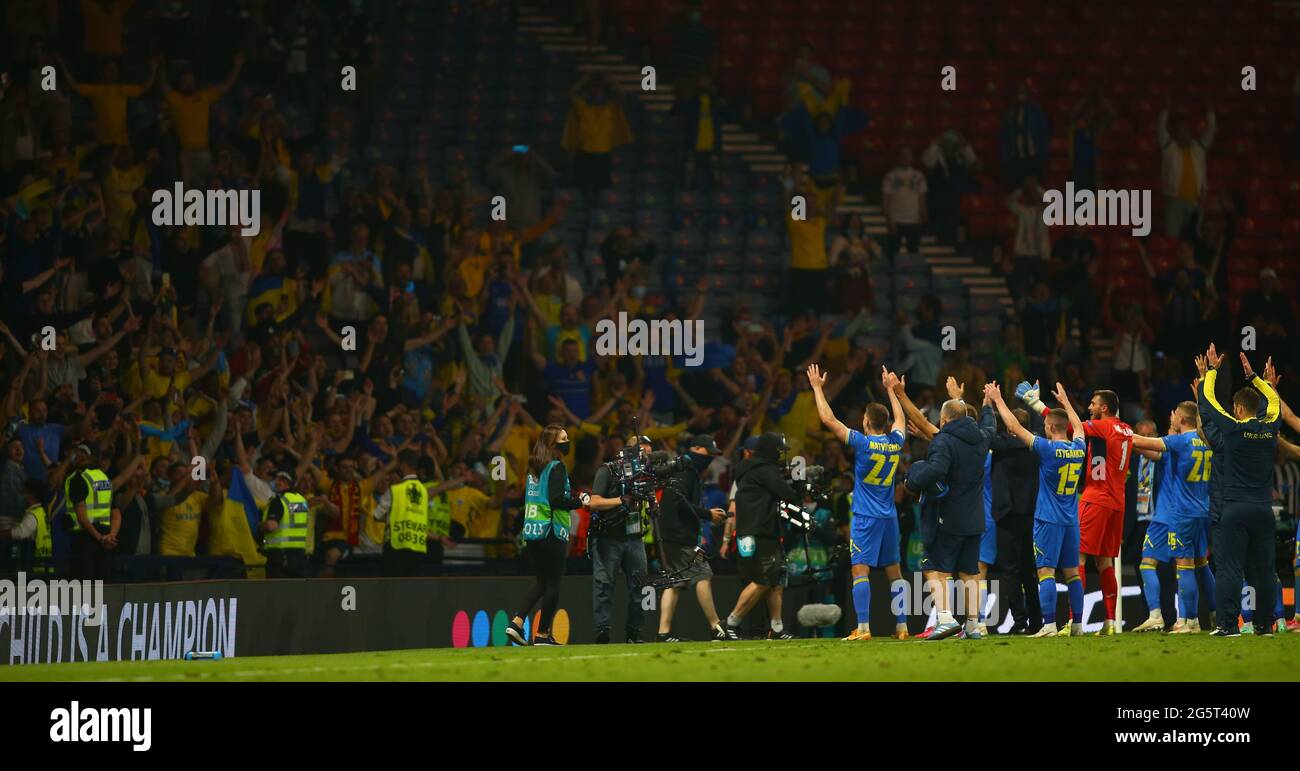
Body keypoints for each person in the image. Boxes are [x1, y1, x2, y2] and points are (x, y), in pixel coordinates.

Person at [1017, 382, 1134, 634]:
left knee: (1077, 559)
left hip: (1096, 498)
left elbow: (1068, 426)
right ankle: (1110, 622)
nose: (1089, 408)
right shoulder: (1126, 429)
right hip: (1118, 501)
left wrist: (1041, 404)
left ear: (1104, 408)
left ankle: (1074, 620)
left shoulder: (1101, 426)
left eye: (1093, 404)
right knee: (1105, 562)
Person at [807, 363, 909, 641]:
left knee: (860, 570)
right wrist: (893, 391)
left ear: (866, 422)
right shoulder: (895, 442)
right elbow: (899, 421)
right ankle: (902, 628)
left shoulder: (863, 443)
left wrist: (817, 388)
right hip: (889, 517)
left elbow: (828, 420)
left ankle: (863, 628)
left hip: (865, 516)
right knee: (895, 572)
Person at [987, 382, 1087, 637]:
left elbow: (1013, 427)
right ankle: (1077, 625)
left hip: (1048, 520)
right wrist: (1065, 401)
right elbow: (1077, 427)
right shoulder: (1079, 448)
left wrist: (998, 400)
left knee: (1045, 572)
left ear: (1051, 427)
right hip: (1071, 521)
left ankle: (1050, 625)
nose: (1043, 427)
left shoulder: (1047, 449)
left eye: (1045, 425)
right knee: (1073, 573)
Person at [1199, 349, 1280, 637]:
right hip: (1263, 510)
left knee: (1230, 568)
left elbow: (1208, 401)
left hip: (1234, 508)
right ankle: (1265, 624)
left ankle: (1229, 625)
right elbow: (1274, 402)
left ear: (1239, 409)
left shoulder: (1233, 429)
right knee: (1264, 570)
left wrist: (1211, 370)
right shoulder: (1271, 429)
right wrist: (1257, 379)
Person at [902, 389, 991, 640]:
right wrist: (987, 406)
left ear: (944, 419)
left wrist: (912, 482)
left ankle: (945, 619)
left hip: (948, 517)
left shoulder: (944, 440)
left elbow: (938, 468)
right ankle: (973, 625)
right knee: (969, 572)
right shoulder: (982, 438)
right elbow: (990, 426)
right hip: (975, 518)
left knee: (935, 568)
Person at [1130, 402, 1215, 633]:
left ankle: (1171, 617)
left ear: (1181, 420)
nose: (1173, 419)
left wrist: (1117, 431)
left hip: (1175, 514)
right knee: (1201, 564)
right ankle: (1209, 616)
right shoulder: (1207, 442)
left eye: (1175, 416)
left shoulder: (1176, 444)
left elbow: (1143, 444)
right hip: (1202, 512)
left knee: (1161, 564)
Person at [506, 425, 584, 646]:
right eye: (563, 439)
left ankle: (516, 623)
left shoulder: (534, 468)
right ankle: (541, 635)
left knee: (541, 582)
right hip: (551, 531)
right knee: (553, 585)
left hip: (532, 531)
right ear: (552, 444)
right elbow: (557, 499)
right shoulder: (556, 467)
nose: (567, 442)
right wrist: (581, 501)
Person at [653, 435, 734, 642]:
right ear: (696, 448)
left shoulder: (685, 468)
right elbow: (678, 500)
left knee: (675, 582)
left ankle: (663, 633)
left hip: (668, 534)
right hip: (678, 535)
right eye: (708, 452)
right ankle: (716, 626)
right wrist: (707, 514)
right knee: (703, 574)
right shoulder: (686, 469)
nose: (710, 458)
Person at [723, 432, 803, 640]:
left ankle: (776, 628)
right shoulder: (765, 470)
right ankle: (730, 623)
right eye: (779, 451)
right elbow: (788, 495)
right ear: (771, 451)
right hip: (762, 532)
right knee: (763, 579)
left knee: (774, 579)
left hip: (747, 532)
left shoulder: (748, 470)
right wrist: (799, 486)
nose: (781, 455)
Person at [588, 435, 652, 644]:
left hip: (634, 536)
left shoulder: (643, 476)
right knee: (604, 584)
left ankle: (634, 633)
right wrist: (619, 500)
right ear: (631, 453)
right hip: (608, 537)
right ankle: (602, 630)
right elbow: (593, 502)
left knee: (640, 587)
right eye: (644, 454)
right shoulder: (607, 471)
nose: (646, 460)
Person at [64, 443, 119, 580]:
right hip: (106, 541)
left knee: (83, 590)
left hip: (85, 539)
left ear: (85, 455)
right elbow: (116, 514)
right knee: (102, 587)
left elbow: (82, 518)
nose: (75, 456)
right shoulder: (104, 478)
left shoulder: (79, 478)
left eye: (78, 452)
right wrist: (111, 536)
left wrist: (100, 538)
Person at [371, 449, 429, 577]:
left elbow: (377, 515)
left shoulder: (395, 490)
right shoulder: (424, 491)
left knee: (390, 591)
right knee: (410, 591)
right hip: (418, 547)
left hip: (395, 547)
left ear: (402, 465)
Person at [259, 470, 311, 579]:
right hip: (300, 555)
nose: (274, 481)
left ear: (283, 481)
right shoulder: (301, 501)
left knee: (278, 593)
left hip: (280, 555)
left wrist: (260, 526)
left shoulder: (279, 501)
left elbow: (271, 525)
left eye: (277, 479)